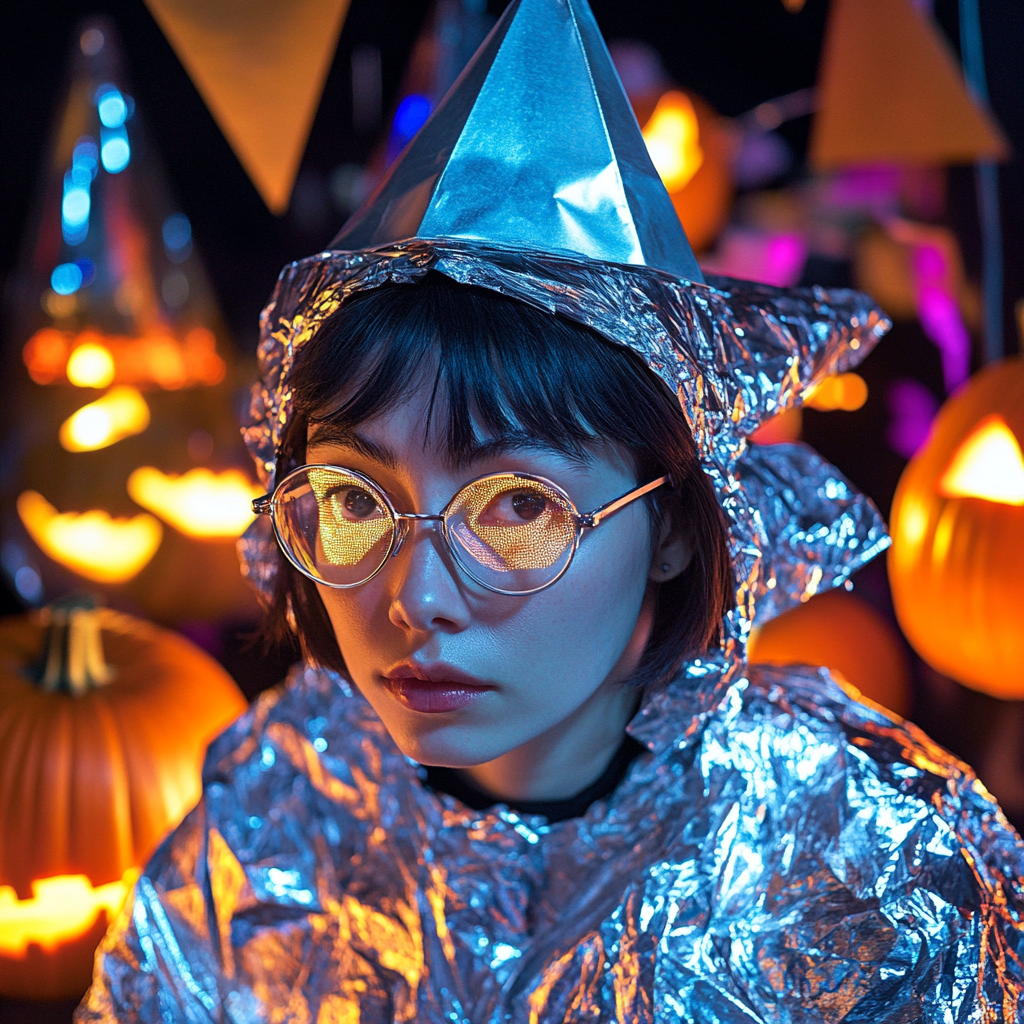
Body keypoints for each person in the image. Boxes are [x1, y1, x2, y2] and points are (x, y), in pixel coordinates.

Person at [78, 0, 1024, 1020]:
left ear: (669, 526)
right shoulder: (266, 808)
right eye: (353, 498)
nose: (416, 596)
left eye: (516, 504)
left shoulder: (872, 882)